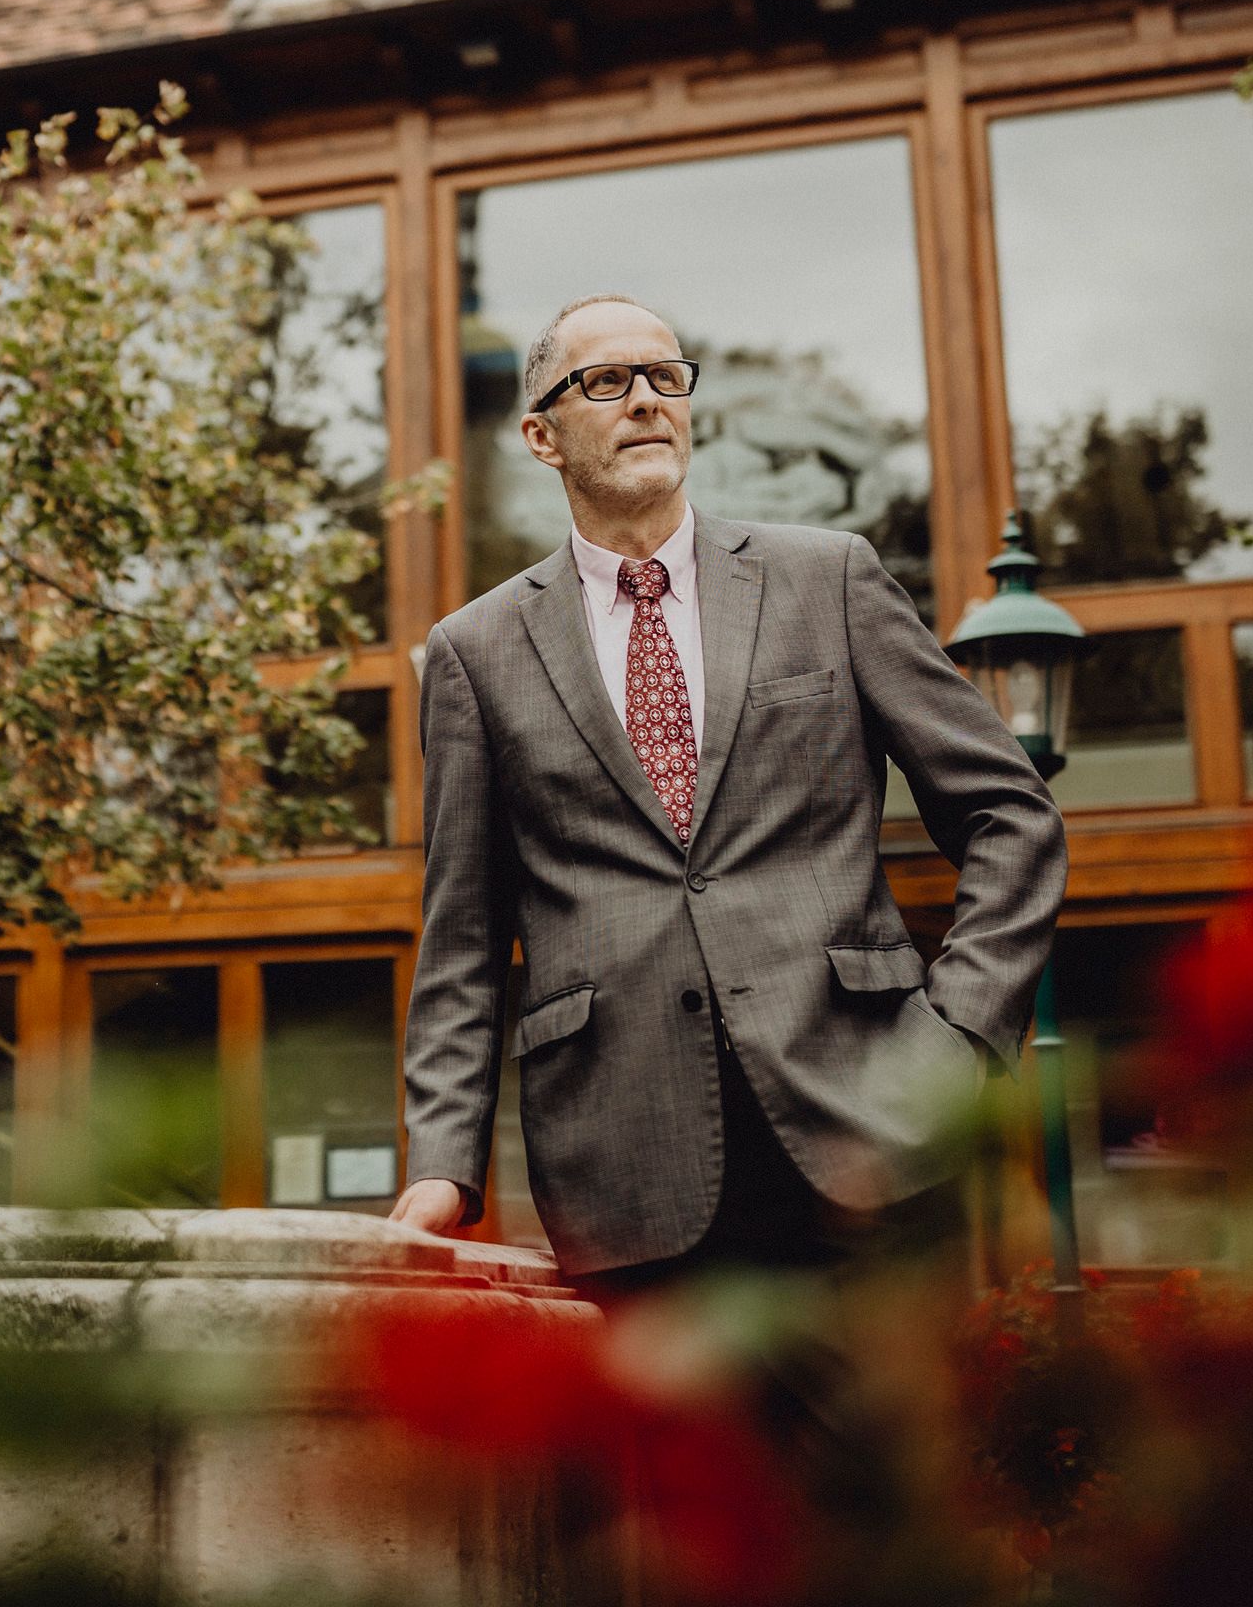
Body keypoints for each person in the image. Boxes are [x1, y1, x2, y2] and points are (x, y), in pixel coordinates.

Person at [387, 295, 1063, 1289]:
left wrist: (957, 1037)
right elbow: (464, 940)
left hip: (873, 1138)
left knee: (889, 1451)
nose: (648, 401)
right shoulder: (475, 652)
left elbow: (1010, 812)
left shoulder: (828, 579)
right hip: (625, 1171)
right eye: (607, 381)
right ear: (541, 434)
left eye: (667, 376)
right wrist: (444, 1162)